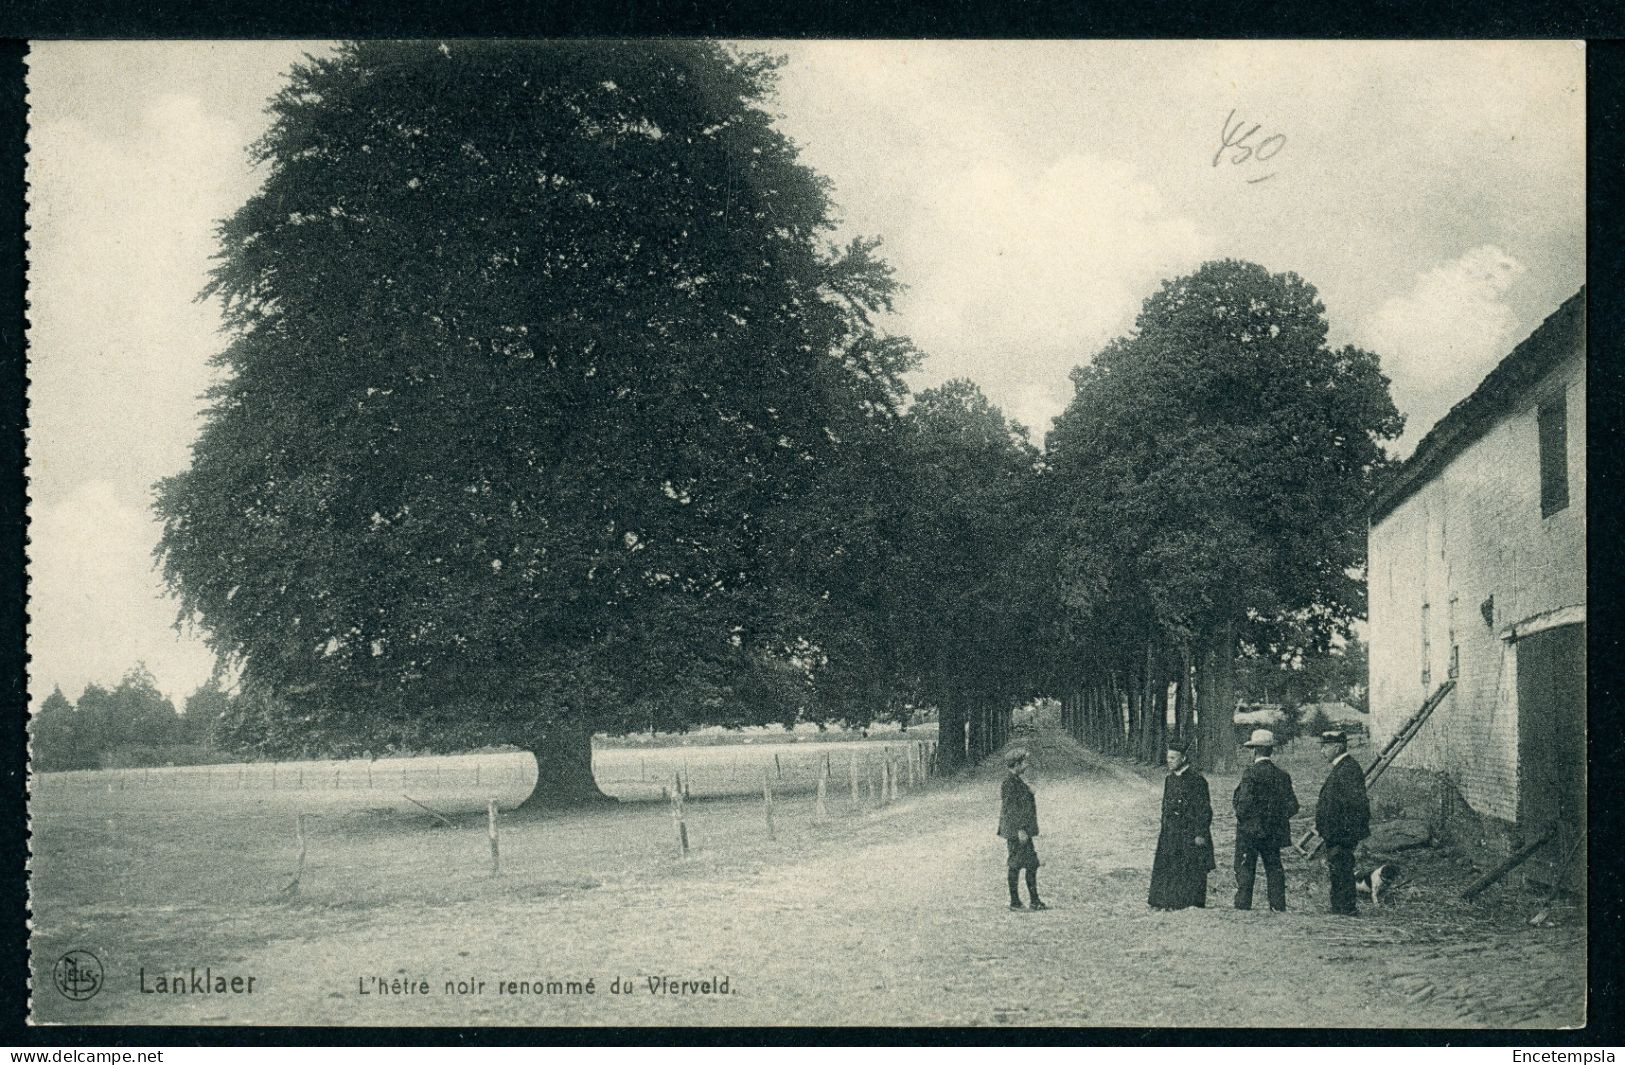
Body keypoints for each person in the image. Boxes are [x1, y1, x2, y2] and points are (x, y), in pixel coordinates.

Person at [1232, 728, 1300, 912]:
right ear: (1271, 750)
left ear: (1254, 750)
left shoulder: (1250, 774)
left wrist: (1251, 823)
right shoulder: (1282, 775)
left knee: (1246, 868)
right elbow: (1293, 806)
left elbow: (1243, 806)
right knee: (1274, 868)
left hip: (1250, 833)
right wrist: (1274, 820)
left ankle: (1243, 906)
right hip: (1273, 833)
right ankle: (1277, 907)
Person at [1148, 736, 1215, 910]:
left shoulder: (1197, 780)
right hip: (1170, 831)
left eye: (1173, 758)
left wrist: (1200, 833)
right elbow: (1165, 805)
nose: (1169, 761)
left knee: (1189, 866)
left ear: (1183, 758)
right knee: (1168, 865)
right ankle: (1164, 901)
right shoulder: (1169, 779)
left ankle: (1189, 902)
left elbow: (1204, 810)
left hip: (1189, 832)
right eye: (1168, 758)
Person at [1315, 729, 1371, 916]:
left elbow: (1353, 805)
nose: (1322, 751)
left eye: (1325, 746)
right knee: (1338, 869)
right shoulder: (1343, 767)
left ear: (1337, 747)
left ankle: (1346, 908)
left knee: (1342, 869)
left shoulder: (1348, 769)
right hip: (1337, 832)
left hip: (1342, 833)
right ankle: (1339, 907)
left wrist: (1342, 832)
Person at [997, 748, 1046, 910]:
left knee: (1032, 863)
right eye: (1024, 762)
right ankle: (1015, 902)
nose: (1026, 764)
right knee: (1015, 864)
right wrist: (1020, 830)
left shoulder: (1018, 780)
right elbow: (1010, 810)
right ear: (1016, 764)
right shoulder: (1009, 783)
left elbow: (1030, 793)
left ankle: (1034, 901)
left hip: (1023, 830)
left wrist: (1028, 785)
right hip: (1017, 832)